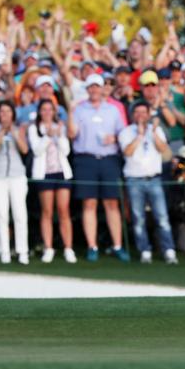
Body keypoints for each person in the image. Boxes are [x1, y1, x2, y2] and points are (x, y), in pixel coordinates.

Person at [67, 73, 129, 262]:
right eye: (91, 87)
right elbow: (71, 133)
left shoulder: (112, 110)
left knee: (112, 203)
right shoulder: (79, 110)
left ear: (103, 89)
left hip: (109, 159)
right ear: (87, 89)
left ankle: (117, 245)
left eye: (97, 86)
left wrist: (115, 139)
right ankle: (92, 246)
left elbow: (123, 134)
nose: (94, 90)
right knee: (89, 203)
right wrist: (70, 111)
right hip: (86, 160)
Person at [118, 101, 178, 265]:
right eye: (137, 112)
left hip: (154, 179)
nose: (140, 116)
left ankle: (169, 250)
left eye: (143, 112)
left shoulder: (156, 130)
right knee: (138, 218)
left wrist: (151, 132)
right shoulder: (126, 132)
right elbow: (128, 152)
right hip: (134, 179)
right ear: (132, 115)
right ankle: (144, 250)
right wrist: (139, 135)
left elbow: (162, 148)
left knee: (162, 217)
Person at [28, 99, 76, 264]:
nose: (48, 113)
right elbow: (36, 150)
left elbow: (66, 150)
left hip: (61, 172)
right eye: (44, 109)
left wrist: (58, 135)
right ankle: (48, 248)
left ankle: (68, 247)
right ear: (40, 112)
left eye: (50, 110)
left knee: (63, 210)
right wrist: (48, 136)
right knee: (47, 211)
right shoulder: (34, 128)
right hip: (44, 173)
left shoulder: (60, 127)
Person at [0, 101, 30, 264]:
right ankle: (4, 250)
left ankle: (22, 251)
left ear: (13, 114)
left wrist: (13, 132)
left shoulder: (19, 129)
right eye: (2, 112)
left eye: (8, 112)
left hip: (17, 175)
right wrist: (2, 132)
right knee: (1, 214)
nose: (5, 115)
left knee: (20, 214)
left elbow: (24, 149)